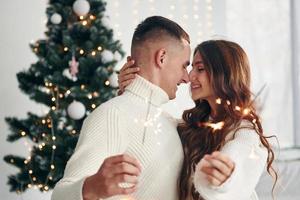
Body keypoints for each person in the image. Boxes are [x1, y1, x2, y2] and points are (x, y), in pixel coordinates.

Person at [52, 16, 234, 200]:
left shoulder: (171, 124)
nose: (187, 78)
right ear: (162, 58)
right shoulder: (112, 115)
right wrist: (91, 188)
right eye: (184, 66)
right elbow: (59, 196)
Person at [118, 40, 277, 200]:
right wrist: (133, 91)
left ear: (225, 74)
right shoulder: (192, 125)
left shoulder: (244, 131)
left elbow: (237, 159)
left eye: (200, 68)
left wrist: (225, 178)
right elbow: (155, 123)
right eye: (191, 67)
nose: (190, 76)